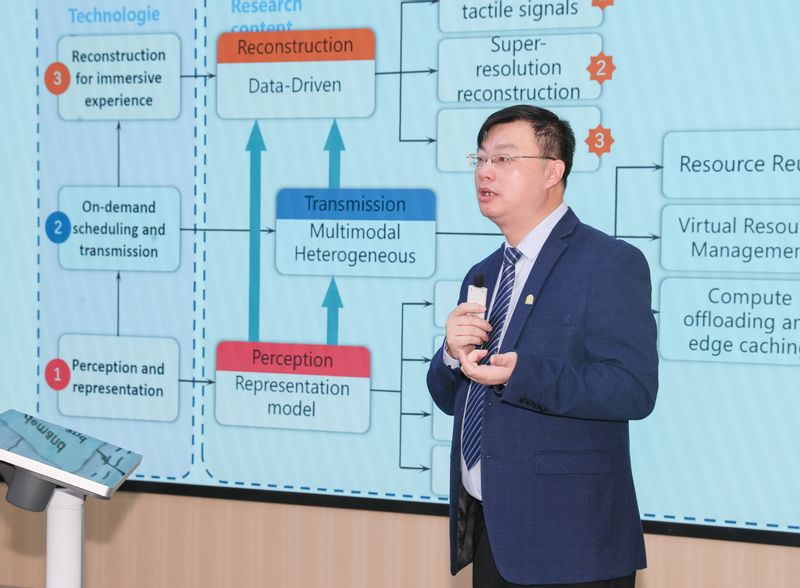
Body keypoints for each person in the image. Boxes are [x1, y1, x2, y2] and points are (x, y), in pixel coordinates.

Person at [427, 105, 659, 587]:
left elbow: (633, 389)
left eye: (504, 159)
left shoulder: (608, 263)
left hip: (571, 545)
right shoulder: (483, 273)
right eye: (480, 159)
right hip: (494, 534)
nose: (485, 171)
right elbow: (452, 399)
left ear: (553, 172)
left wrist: (521, 374)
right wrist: (451, 354)